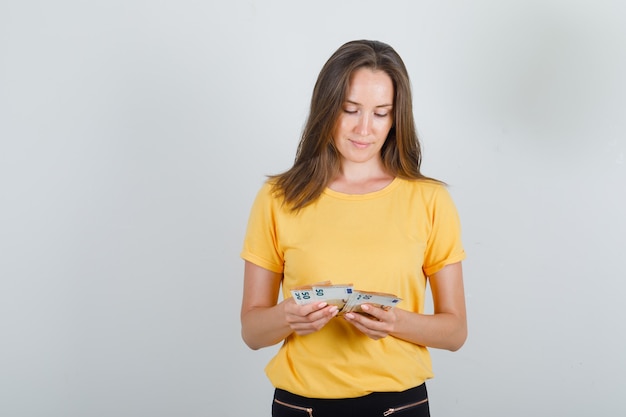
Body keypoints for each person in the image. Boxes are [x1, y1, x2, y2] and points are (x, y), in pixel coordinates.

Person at [240, 39, 467, 417]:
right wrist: (288, 317)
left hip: (400, 405)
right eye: (351, 110)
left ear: (397, 117)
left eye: (381, 113)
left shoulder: (430, 200)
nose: (365, 128)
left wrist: (396, 322)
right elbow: (252, 332)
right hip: (301, 407)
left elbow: (456, 331)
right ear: (326, 108)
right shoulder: (277, 197)